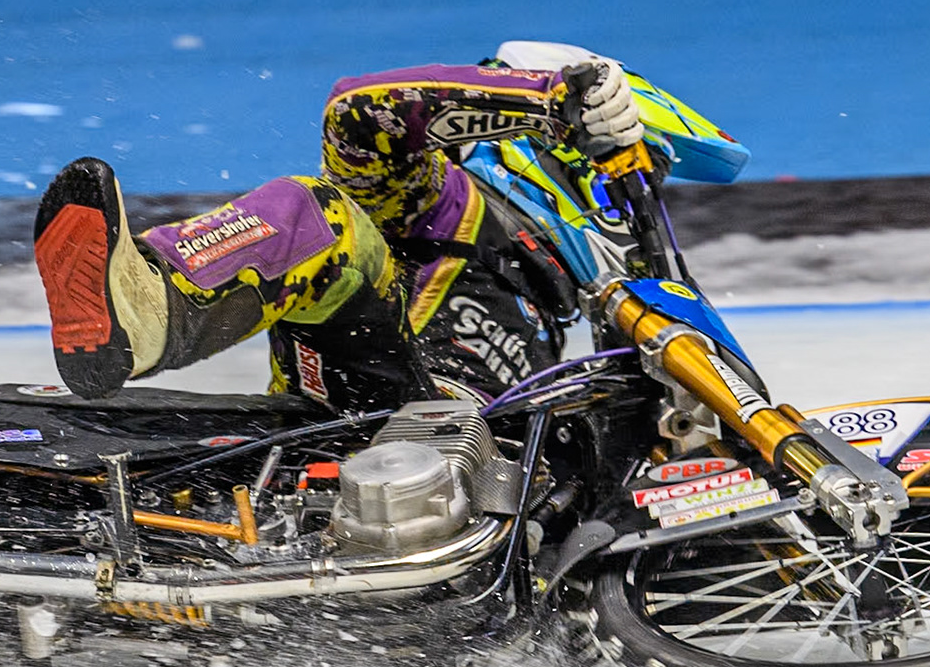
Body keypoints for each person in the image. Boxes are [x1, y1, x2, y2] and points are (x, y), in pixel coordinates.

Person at [32, 41, 650, 410]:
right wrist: (548, 97)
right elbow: (354, 114)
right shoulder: (442, 197)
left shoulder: (557, 305)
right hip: (371, 410)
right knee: (320, 212)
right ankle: (148, 309)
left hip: (480, 491)